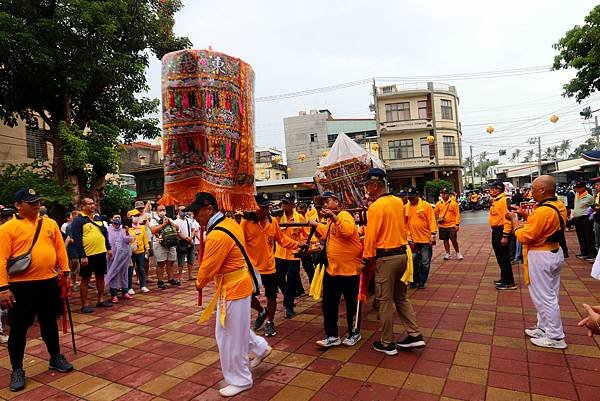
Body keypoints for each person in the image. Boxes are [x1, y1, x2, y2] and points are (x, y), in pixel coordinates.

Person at [188, 192, 271, 397]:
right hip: (238, 284)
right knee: (236, 328)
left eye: (198, 212)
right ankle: (260, 347)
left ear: (209, 209)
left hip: (233, 288)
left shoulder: (217, 234)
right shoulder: (231, 222)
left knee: (227, 336)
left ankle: (240, 379)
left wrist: (199, 282)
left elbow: (207, 270)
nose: (196, 217)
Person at [0, 188, 73, 392]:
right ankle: (17, 369)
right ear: (18, 205)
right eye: (32, 203)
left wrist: (65, 270)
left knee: (49, 323)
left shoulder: (49, 223)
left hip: (48, 281)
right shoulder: (8, 228)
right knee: (19, 328)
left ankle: (55, 357)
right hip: (21, 286)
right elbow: (1, 258)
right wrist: (3, 288)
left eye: (38, 202)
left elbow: (59, 247)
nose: (37, 206)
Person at [361, 168, 425, 355]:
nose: (366, 189)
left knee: (384, 300)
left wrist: (365, 259)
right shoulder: (399, 202)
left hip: (386, 258)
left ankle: (387, 342)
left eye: (367, 185)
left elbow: (371, 237)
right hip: (402, 255)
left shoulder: (375, 206)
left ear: (374, 185)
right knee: (401, 297)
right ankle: (414, 334)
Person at [506, 175, 568, 349]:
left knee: (544, 297)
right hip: (554, 252)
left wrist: (514, 221)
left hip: (541, 256)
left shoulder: (542, 211)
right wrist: (525, 214)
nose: (530, 192)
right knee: (550, 294)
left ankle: (556, 337)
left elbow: (525, 236)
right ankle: (544, 327)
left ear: (542, 190)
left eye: (533, 189)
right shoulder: (558, 206)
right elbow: (543, 225)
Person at [241, 193, 302, 337]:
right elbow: (239, 244)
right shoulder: (245, 223)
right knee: (246, 295)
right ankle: (262, 311)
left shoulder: (273, 221)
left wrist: (298, 244)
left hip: (269, 266)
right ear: (254, 207)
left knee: (272, 296)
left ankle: (269, 321)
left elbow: (282, 240)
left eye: (267, 207)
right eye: (262, 208)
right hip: (251, 268)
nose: (265, 211)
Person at [309, 191, 363, 348]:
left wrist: (333, 217)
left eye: (328, 201)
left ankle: (354, 333)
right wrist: (317, 224)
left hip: (349, 271)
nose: (324, 204)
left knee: (352, 305)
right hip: (333, 270)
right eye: (323, 202)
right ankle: (332, 335)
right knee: (329, 304)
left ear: (337, 203)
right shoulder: (332, 221)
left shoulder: (344, 215)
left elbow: (347, 231)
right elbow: (327, 233)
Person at [71, 198, 113, 313]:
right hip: (87, 255)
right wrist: (82, 255)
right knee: (85, 279)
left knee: (100, 276)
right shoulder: (78, 220)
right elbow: (77, 240)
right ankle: (85, 303)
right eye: (89, 204)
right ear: (82, 206)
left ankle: (100, 299)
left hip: (100, 252)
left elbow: (104, 234)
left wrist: (108, 248)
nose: (92, 206)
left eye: (93, 203)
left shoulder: (98, 218)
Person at [275, 192, 308, 318]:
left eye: (287, 204)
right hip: (279, 253)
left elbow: (307, 233)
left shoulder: (299, 218)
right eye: (283, 203)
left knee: (291, 280)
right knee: (279, 279)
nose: (284, 206)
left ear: (293, 205)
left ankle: (288, 305)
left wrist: (310, 244)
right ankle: (289, 298)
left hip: (294, 254)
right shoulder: (277, 217)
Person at [405, 187, 437, 289]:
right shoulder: (406, 207)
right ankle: (414, 280)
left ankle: (422, 281)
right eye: (409, 198)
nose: (410, 200)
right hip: (412, 240)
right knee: (413, 261)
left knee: (425, 262)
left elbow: (432, 220)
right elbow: (405, 223)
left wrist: (433, 235)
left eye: (412, 198)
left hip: (425, 239)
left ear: (417, 196)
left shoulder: (426, 206)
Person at [488, 181, 516, 290]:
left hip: (501, 231)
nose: (490, 191)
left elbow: (507, 219)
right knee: (500, 256)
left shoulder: (503, 200)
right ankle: (504, 278)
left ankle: (509, 282)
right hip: (496, 230)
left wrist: (505, 235)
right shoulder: (497, 200)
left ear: (497, 189)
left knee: (504, 257)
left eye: (491, 188)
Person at [149, 204, 180, 289]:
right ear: (156, 211)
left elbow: (177, 228)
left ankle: (171, 279)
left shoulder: (168, 218)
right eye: (160, 210)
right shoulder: (153, 220)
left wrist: (170, 222)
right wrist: (163, 224)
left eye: (164, 210)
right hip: (159, 244)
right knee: (161, 263)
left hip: (171, 243)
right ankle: (160, 281)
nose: (162, 211)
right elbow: (153, 230)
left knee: (171, 262)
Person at [106, 215, 133, 302]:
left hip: (123, 256)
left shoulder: (123, 229)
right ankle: (114, 294)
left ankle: (125, 291)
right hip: (112, 256)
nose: (117, 219)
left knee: (124, 273)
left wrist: (127, 232)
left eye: (119, 217)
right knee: (113, 272)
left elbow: (128, 240)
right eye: (115, 217)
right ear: (111, 219)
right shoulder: (108, 230)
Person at [434, 188, 462, 261]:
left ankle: (458, 252)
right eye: (442, 194)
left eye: (445, 194)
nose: (443, 195)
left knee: (454, 240)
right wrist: (438, 219)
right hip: (442, 226)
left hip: (452, 225)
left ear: (448, 194)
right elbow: (435, 213)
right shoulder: (438, 203)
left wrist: (457, 224)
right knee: (445, 240)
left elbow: (457, 214)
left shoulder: (454, 203)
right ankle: (448, 253)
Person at [571, 181, 596, 262]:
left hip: (586, 219)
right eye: (577, 187)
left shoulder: (589, 197)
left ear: (584, 187)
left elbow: (593, 207)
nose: (577, 189)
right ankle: (583, 252)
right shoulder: (577, 195)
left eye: (579, 187)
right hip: (577, 219)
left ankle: (591, 253)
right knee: (580, 236)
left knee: (588, 236)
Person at [127, 209, 150, 294]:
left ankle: (143, 285)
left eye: (138, 216)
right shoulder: (127, 228)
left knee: (141, 269)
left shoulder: (142, 227)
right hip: (130, 252)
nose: (136, 218)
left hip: (140, 251)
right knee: (130, 269)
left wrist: (147, 248)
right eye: (134, 216)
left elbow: (145, 239)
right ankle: (129, 287)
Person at [295, 202, 315, 286]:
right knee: (308, 267)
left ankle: (314, 283)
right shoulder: (298, 217)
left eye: (302, 211)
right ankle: (313, 283)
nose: (300, 213)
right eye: (298, 212)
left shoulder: (307, 217)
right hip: (303, 244)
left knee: (311, 266)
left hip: (310, 243)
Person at [175, 206, 197, 282]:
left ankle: (190, 275)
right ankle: (180, 276)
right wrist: (186, 239)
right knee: (181, 260)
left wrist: (191, 237)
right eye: (182, 210)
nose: (184, 212)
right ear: (178, 211)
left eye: (185, 210)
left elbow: (194, 229)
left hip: (190, 241)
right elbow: (177, 233)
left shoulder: (189, 220)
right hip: (181, 242)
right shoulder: (176, 222)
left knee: (191, 259)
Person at [63, 210, 81, 291]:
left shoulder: (79, 225)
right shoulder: (69, 227)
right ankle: (71, 284)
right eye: (77, 215)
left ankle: (73, 283)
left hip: (79, 250)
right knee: (73, 268)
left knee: (77, 269)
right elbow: (69, 239)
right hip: (73, 251)